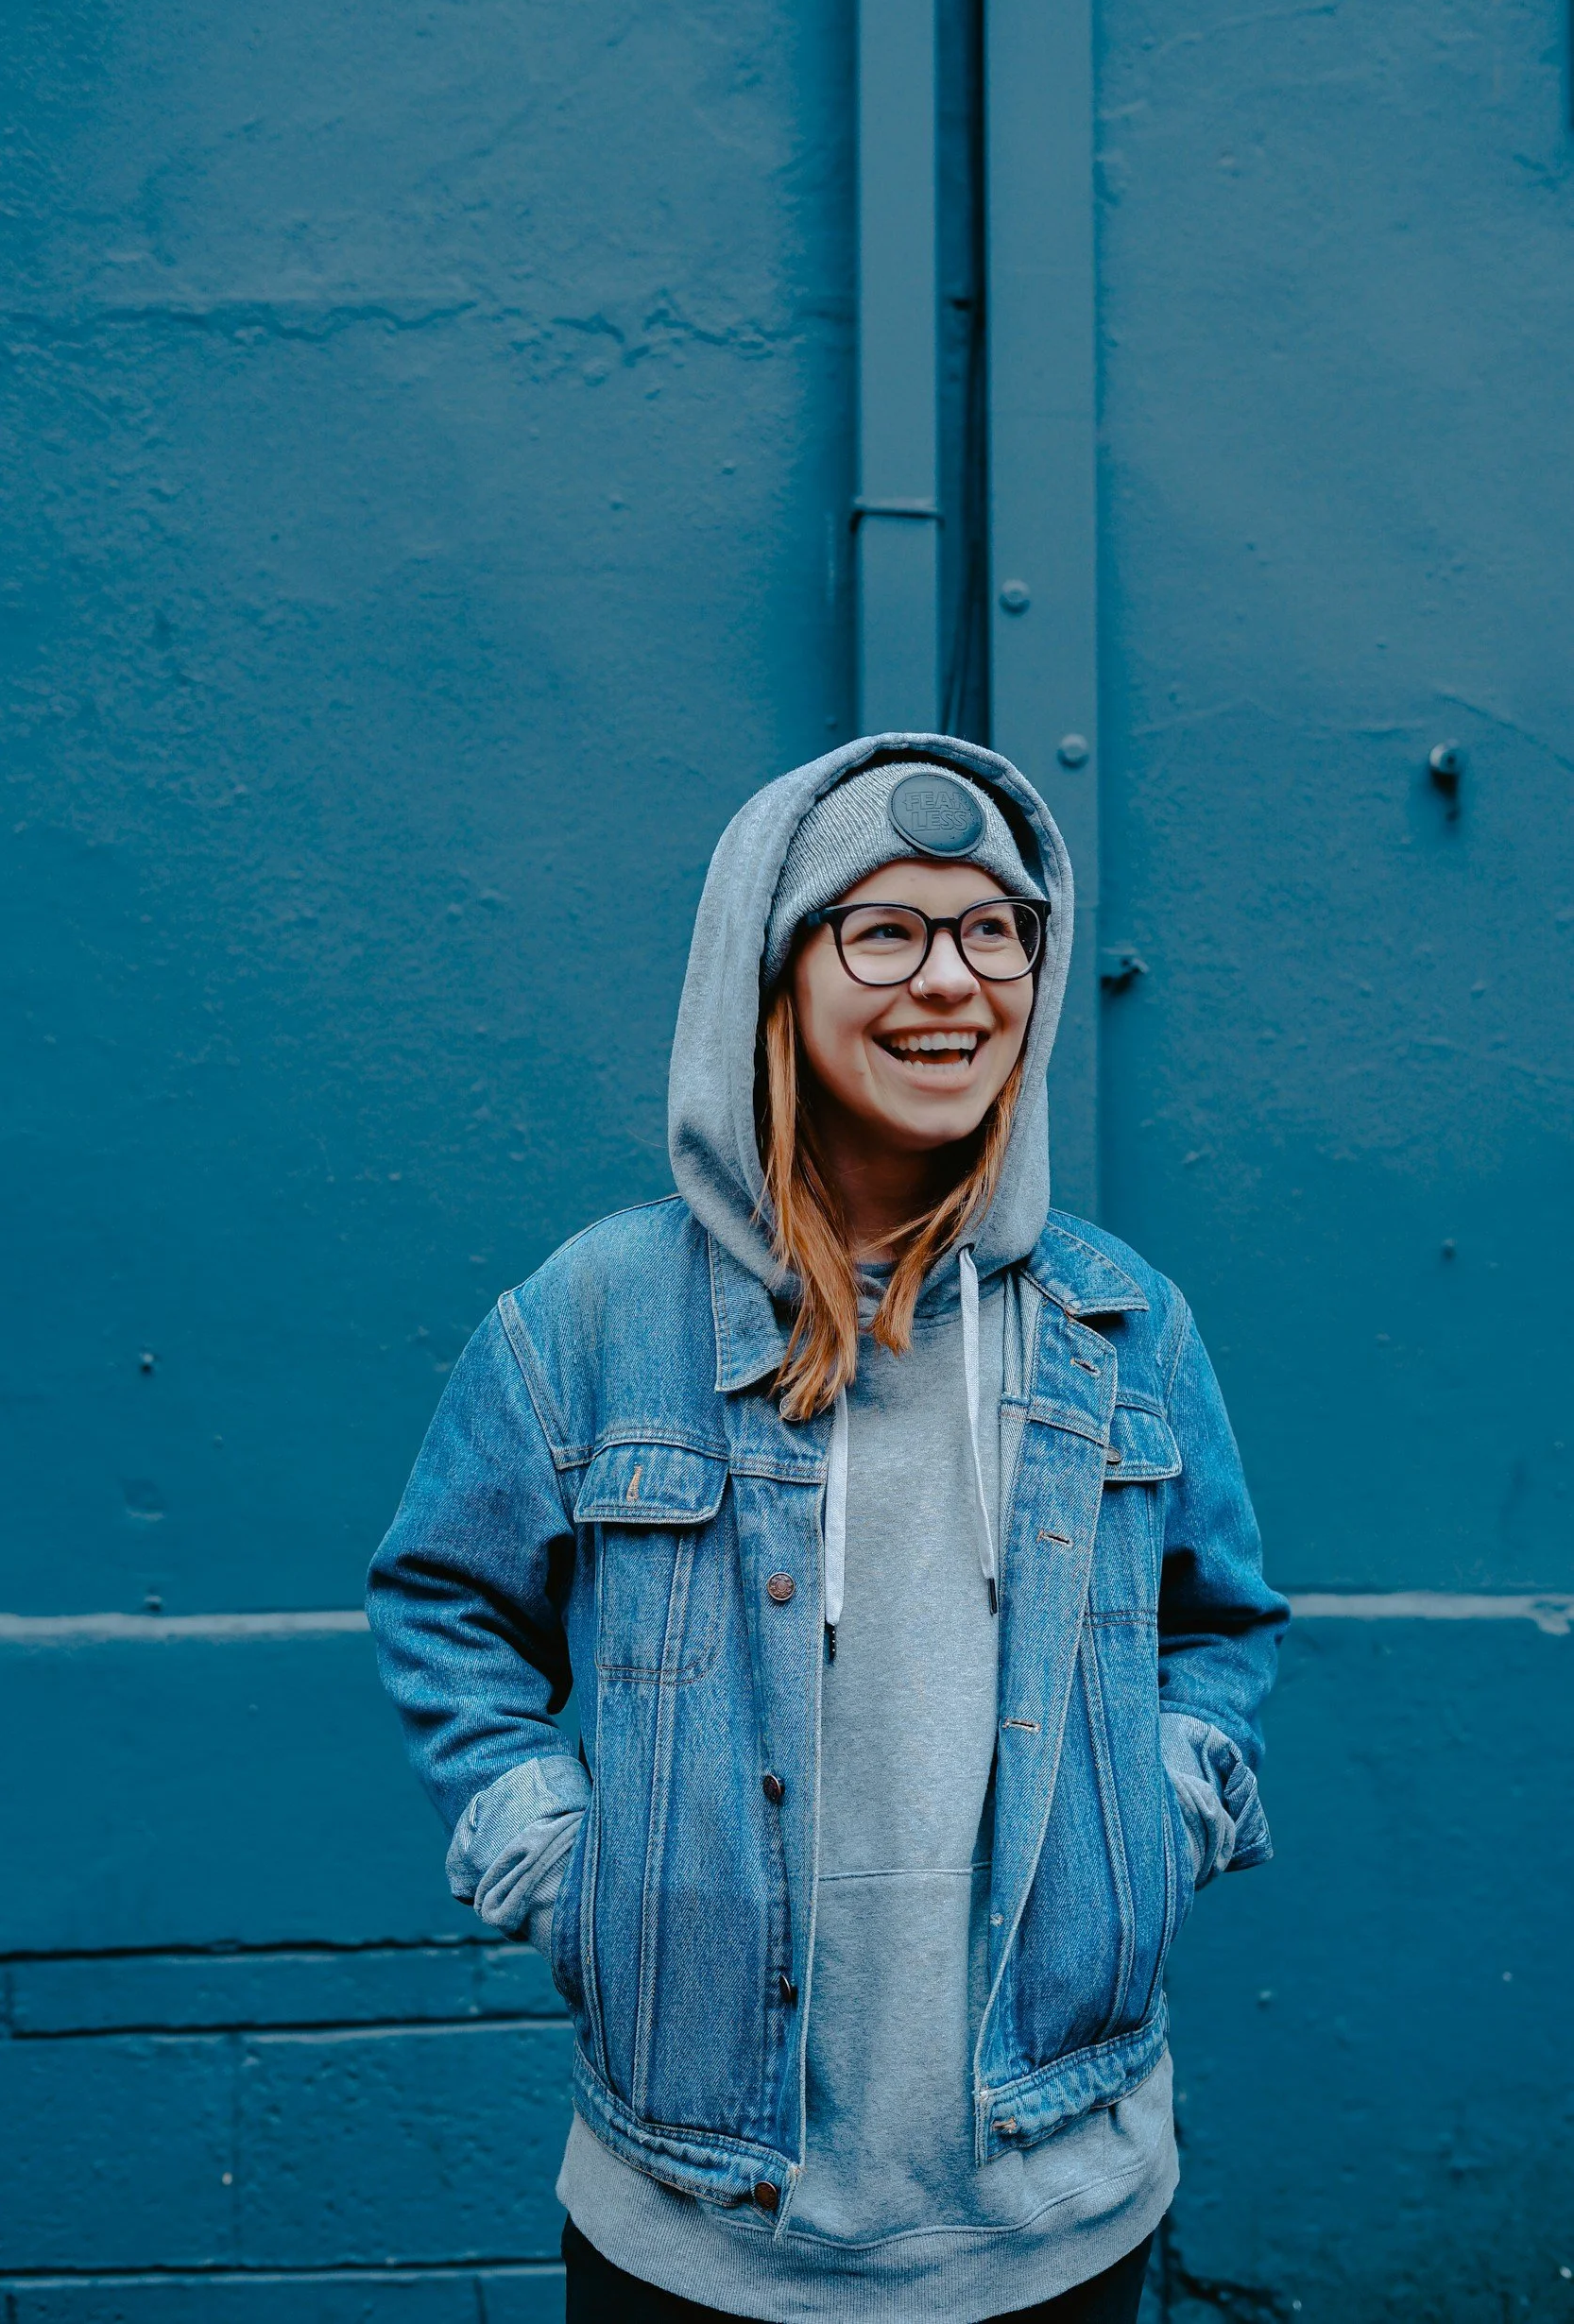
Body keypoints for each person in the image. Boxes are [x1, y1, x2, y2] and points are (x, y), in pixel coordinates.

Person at [368, 735, 1288, 2324]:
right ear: (771, 974)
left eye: (991, 930)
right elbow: (445, 1606)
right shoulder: (596, 1320)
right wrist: (572, 1874)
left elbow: (1220, 1629)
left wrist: (1154, 1819)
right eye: (886, 930)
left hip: (1060, 2198)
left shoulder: (1119, 1323)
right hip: (703, 2217)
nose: (951, 981)